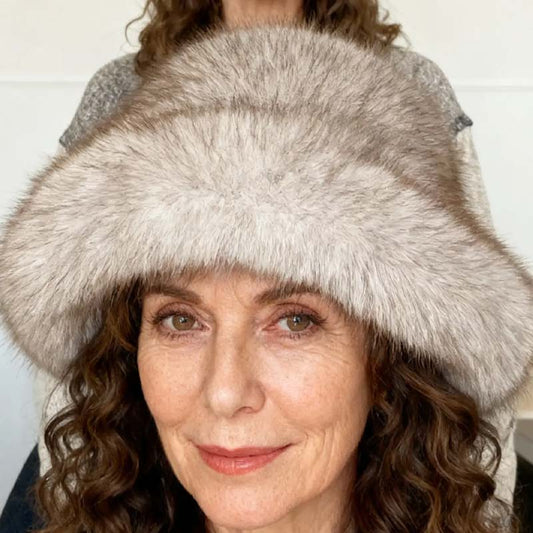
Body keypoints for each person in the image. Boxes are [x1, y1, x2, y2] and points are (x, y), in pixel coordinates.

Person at [0, 1, 531, 532]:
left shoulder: (412, 83)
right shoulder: (119, 89)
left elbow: (466, 318)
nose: (225, 393)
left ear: (389, 357)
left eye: (296, 319)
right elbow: (71, 372)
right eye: (180, 319)